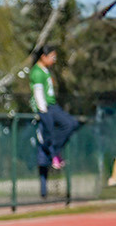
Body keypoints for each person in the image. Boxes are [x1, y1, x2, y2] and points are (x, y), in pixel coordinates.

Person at [28, 44, 80, 196]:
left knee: (71, 124)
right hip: (45, 108)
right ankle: (52, 156)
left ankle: (55, 152)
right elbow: (38, 93)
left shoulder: (45, 71)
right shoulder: (37, 72)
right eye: (52, 57)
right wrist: (43, 112)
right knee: (45, 139)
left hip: (53, 106)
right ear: (43, 57)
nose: (54, 60)